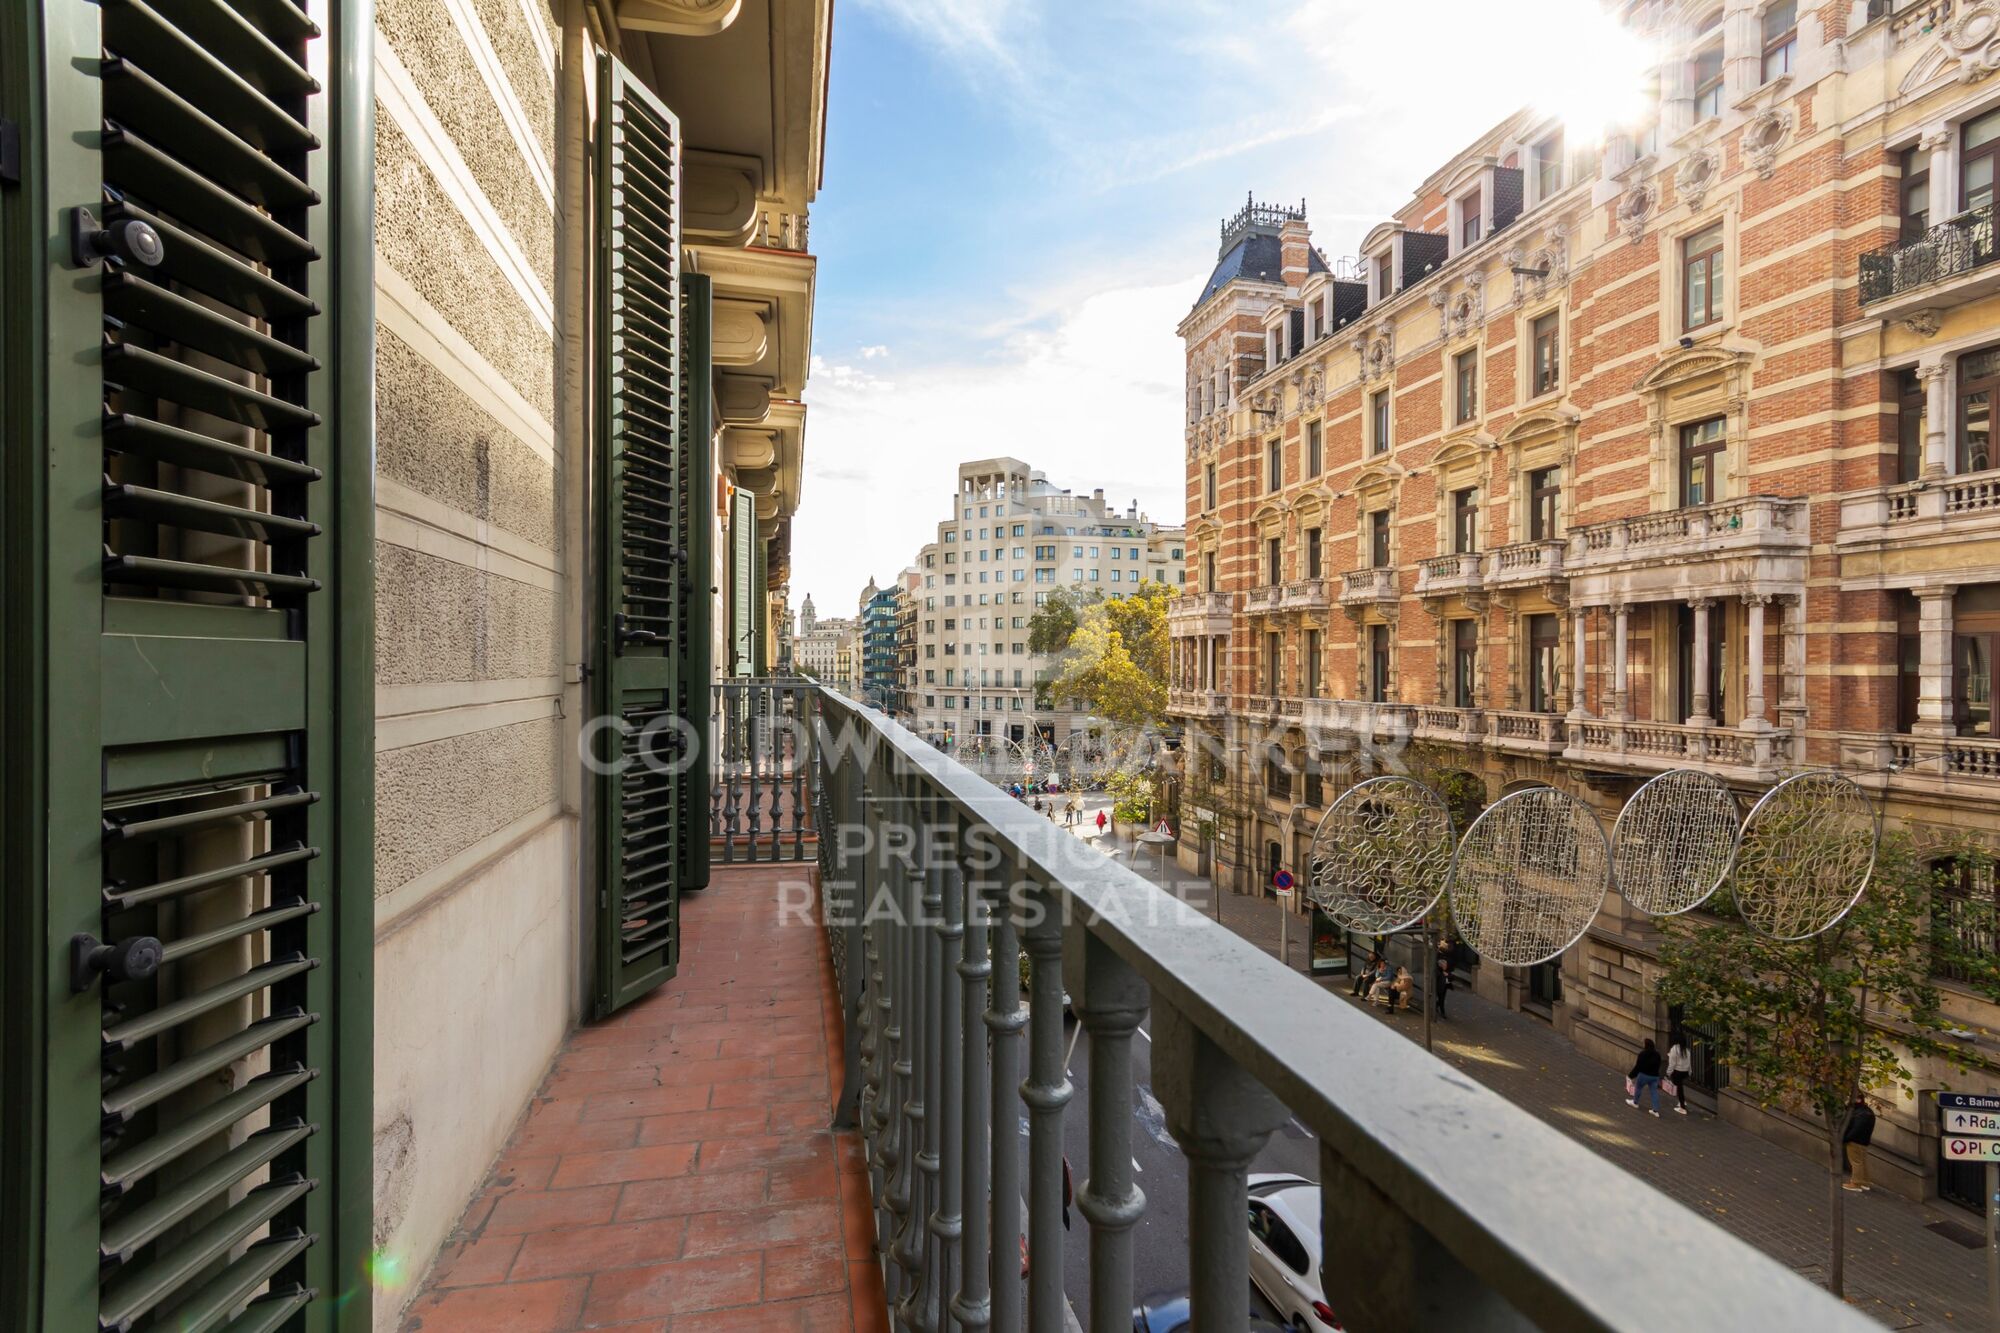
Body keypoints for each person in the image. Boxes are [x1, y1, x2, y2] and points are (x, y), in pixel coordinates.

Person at [1842, 1094, 1876, 1192]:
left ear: (1857, 1099)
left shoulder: (1860, 1114)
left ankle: (1855, 1183)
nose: (1848, 1100)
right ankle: (1864, 1182)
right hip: (1863, 1141)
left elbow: (1856, 1129)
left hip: (1855, 1141)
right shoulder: (1867, 1112)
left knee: (1856, 1162)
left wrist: (1846, 1138)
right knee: (1862, 1162)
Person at [1627, 1038, 1664, 1116]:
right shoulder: (1657, 1054)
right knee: (1654, 1092)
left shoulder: (1642, 1054)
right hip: (1654, 1076)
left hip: (1644, 1075)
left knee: (1638, 1088)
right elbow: (1659, 1065)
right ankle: (1655, 1110)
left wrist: (1631, 1075)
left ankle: (1635, 1102)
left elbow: (1638, 1067)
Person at [1666, 1034, 1694, 1115]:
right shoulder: (1686, 1050)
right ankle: (1682, 1102)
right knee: (1680, 1087)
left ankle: (1682, 1107)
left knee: (1679, 1089)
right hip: (1685, 1072)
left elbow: (1672, 1063)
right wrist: (1690, 1071)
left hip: (1677, 1072)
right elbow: (1689, 1062)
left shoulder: (1674, 1049)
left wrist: (1668, 1072)